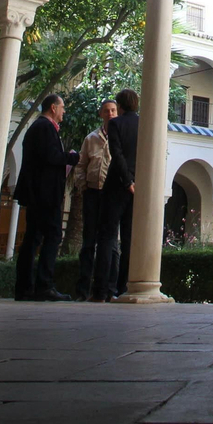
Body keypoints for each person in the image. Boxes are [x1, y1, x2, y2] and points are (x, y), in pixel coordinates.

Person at [12, 93, 76, 302]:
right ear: (52, 108)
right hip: (45, 194)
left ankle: (25, 287)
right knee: (52, 235)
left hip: (38, 193)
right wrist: (72, 157)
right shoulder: (44, 128)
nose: (64, 111)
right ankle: (43, 285)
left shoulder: (39, 127)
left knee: (33, 238)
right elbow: (51, 158)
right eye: (62, 107)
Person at [71, 97, 116, 301]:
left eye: (113, 110)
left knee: (111, 244)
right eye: (107, 110)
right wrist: (82, 186)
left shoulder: (120, 137)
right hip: (92, 193)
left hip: (111, 195)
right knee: (88, 243)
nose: (110, 114)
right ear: (101, 114)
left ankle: (109, 289)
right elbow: (81, 164)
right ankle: (82, 290)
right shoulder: (91, 139)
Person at [95, 88, 138, 300]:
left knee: (107, 237)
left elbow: (116, 153)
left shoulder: (116, 123)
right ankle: (123, 288)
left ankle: (102, 290)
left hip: (116, 186)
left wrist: (126, 180)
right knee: (129, 238)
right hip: (136, 187)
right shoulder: (143, 124)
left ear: (120, 106)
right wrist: (135, 182)